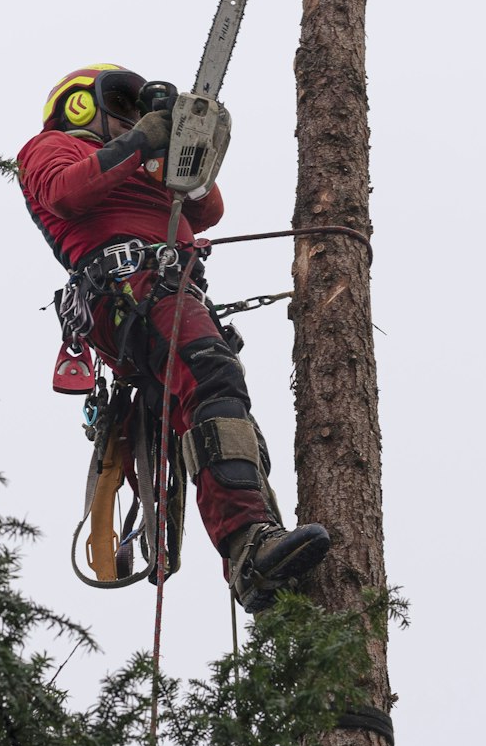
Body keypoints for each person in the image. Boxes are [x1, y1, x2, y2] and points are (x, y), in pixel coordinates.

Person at [18, 63, 329, 612]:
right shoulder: (52, 148)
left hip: (167, 289)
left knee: (212, 409)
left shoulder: (140, 165)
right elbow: (67, 194)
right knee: (214, 376)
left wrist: (180, 146)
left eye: (136, 110)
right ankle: (253, 540)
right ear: (83, 105)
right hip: (128, 290)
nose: (130, 117)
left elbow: (206, 208)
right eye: (120, 105)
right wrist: (143, 139)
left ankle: (251, 550)